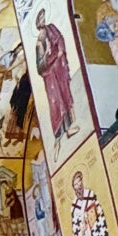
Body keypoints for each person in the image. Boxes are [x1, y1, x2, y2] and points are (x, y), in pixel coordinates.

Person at [35, 9, 77, 152]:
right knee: (56, 101)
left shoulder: (51, 29)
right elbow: (39, 67)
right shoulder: (39, 44)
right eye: (40, 19)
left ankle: (70, 125)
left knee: (65, 95)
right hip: (50, 76)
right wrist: (48, 57)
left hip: (59, 70)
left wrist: (59, 51)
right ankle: (62, 132)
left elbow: (60, 39)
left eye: (43, 17)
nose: (43, 20)